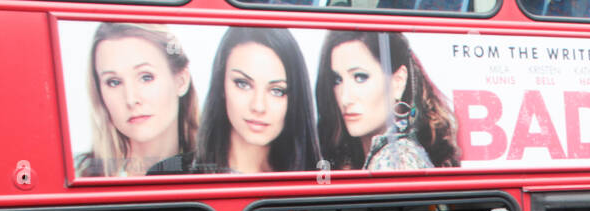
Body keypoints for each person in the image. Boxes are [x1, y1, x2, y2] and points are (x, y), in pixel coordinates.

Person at [315, 31, 458, 171]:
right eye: (337, 80)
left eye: (360, 77)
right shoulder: (387, 155)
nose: (345, 98)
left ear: (398, 82)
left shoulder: (395, 159)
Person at [75, 23, 198, 176]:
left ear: (181, 81)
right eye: (114, 82)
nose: (131, 99)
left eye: (146, 77)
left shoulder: (217, 167)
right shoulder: (78, 173)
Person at [195, 27, 320, 174]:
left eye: (277, 91)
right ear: (221, 86)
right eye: (243, 84)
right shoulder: (177, 172)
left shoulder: (317, 180)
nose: (258, 106)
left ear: (295, 100)